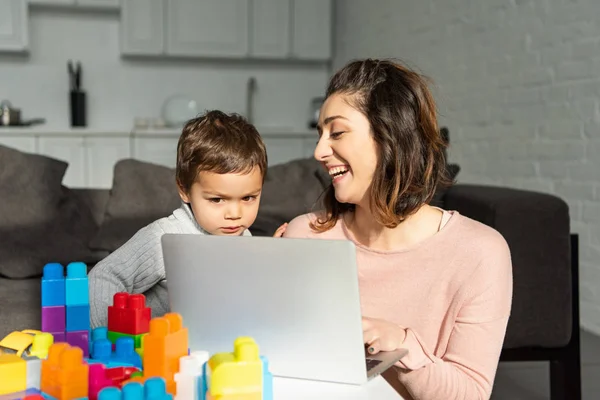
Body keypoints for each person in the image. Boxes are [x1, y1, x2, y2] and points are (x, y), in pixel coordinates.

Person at [283, 59, 513, 400]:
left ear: (390, 134)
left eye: (338, 132)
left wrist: (402, 346)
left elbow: (470, 393)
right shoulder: (304, 236)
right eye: (320, 134)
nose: (319, 151)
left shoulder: (479, 252)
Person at [89, 110, 287, 328]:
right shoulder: (164, 238)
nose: (235, 213)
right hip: (156, 351)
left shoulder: (244, 237)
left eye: (248, 197)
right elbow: (104, 277)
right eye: (217, 200)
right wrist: (107, 342)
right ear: (184, 190)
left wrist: (269, 260)